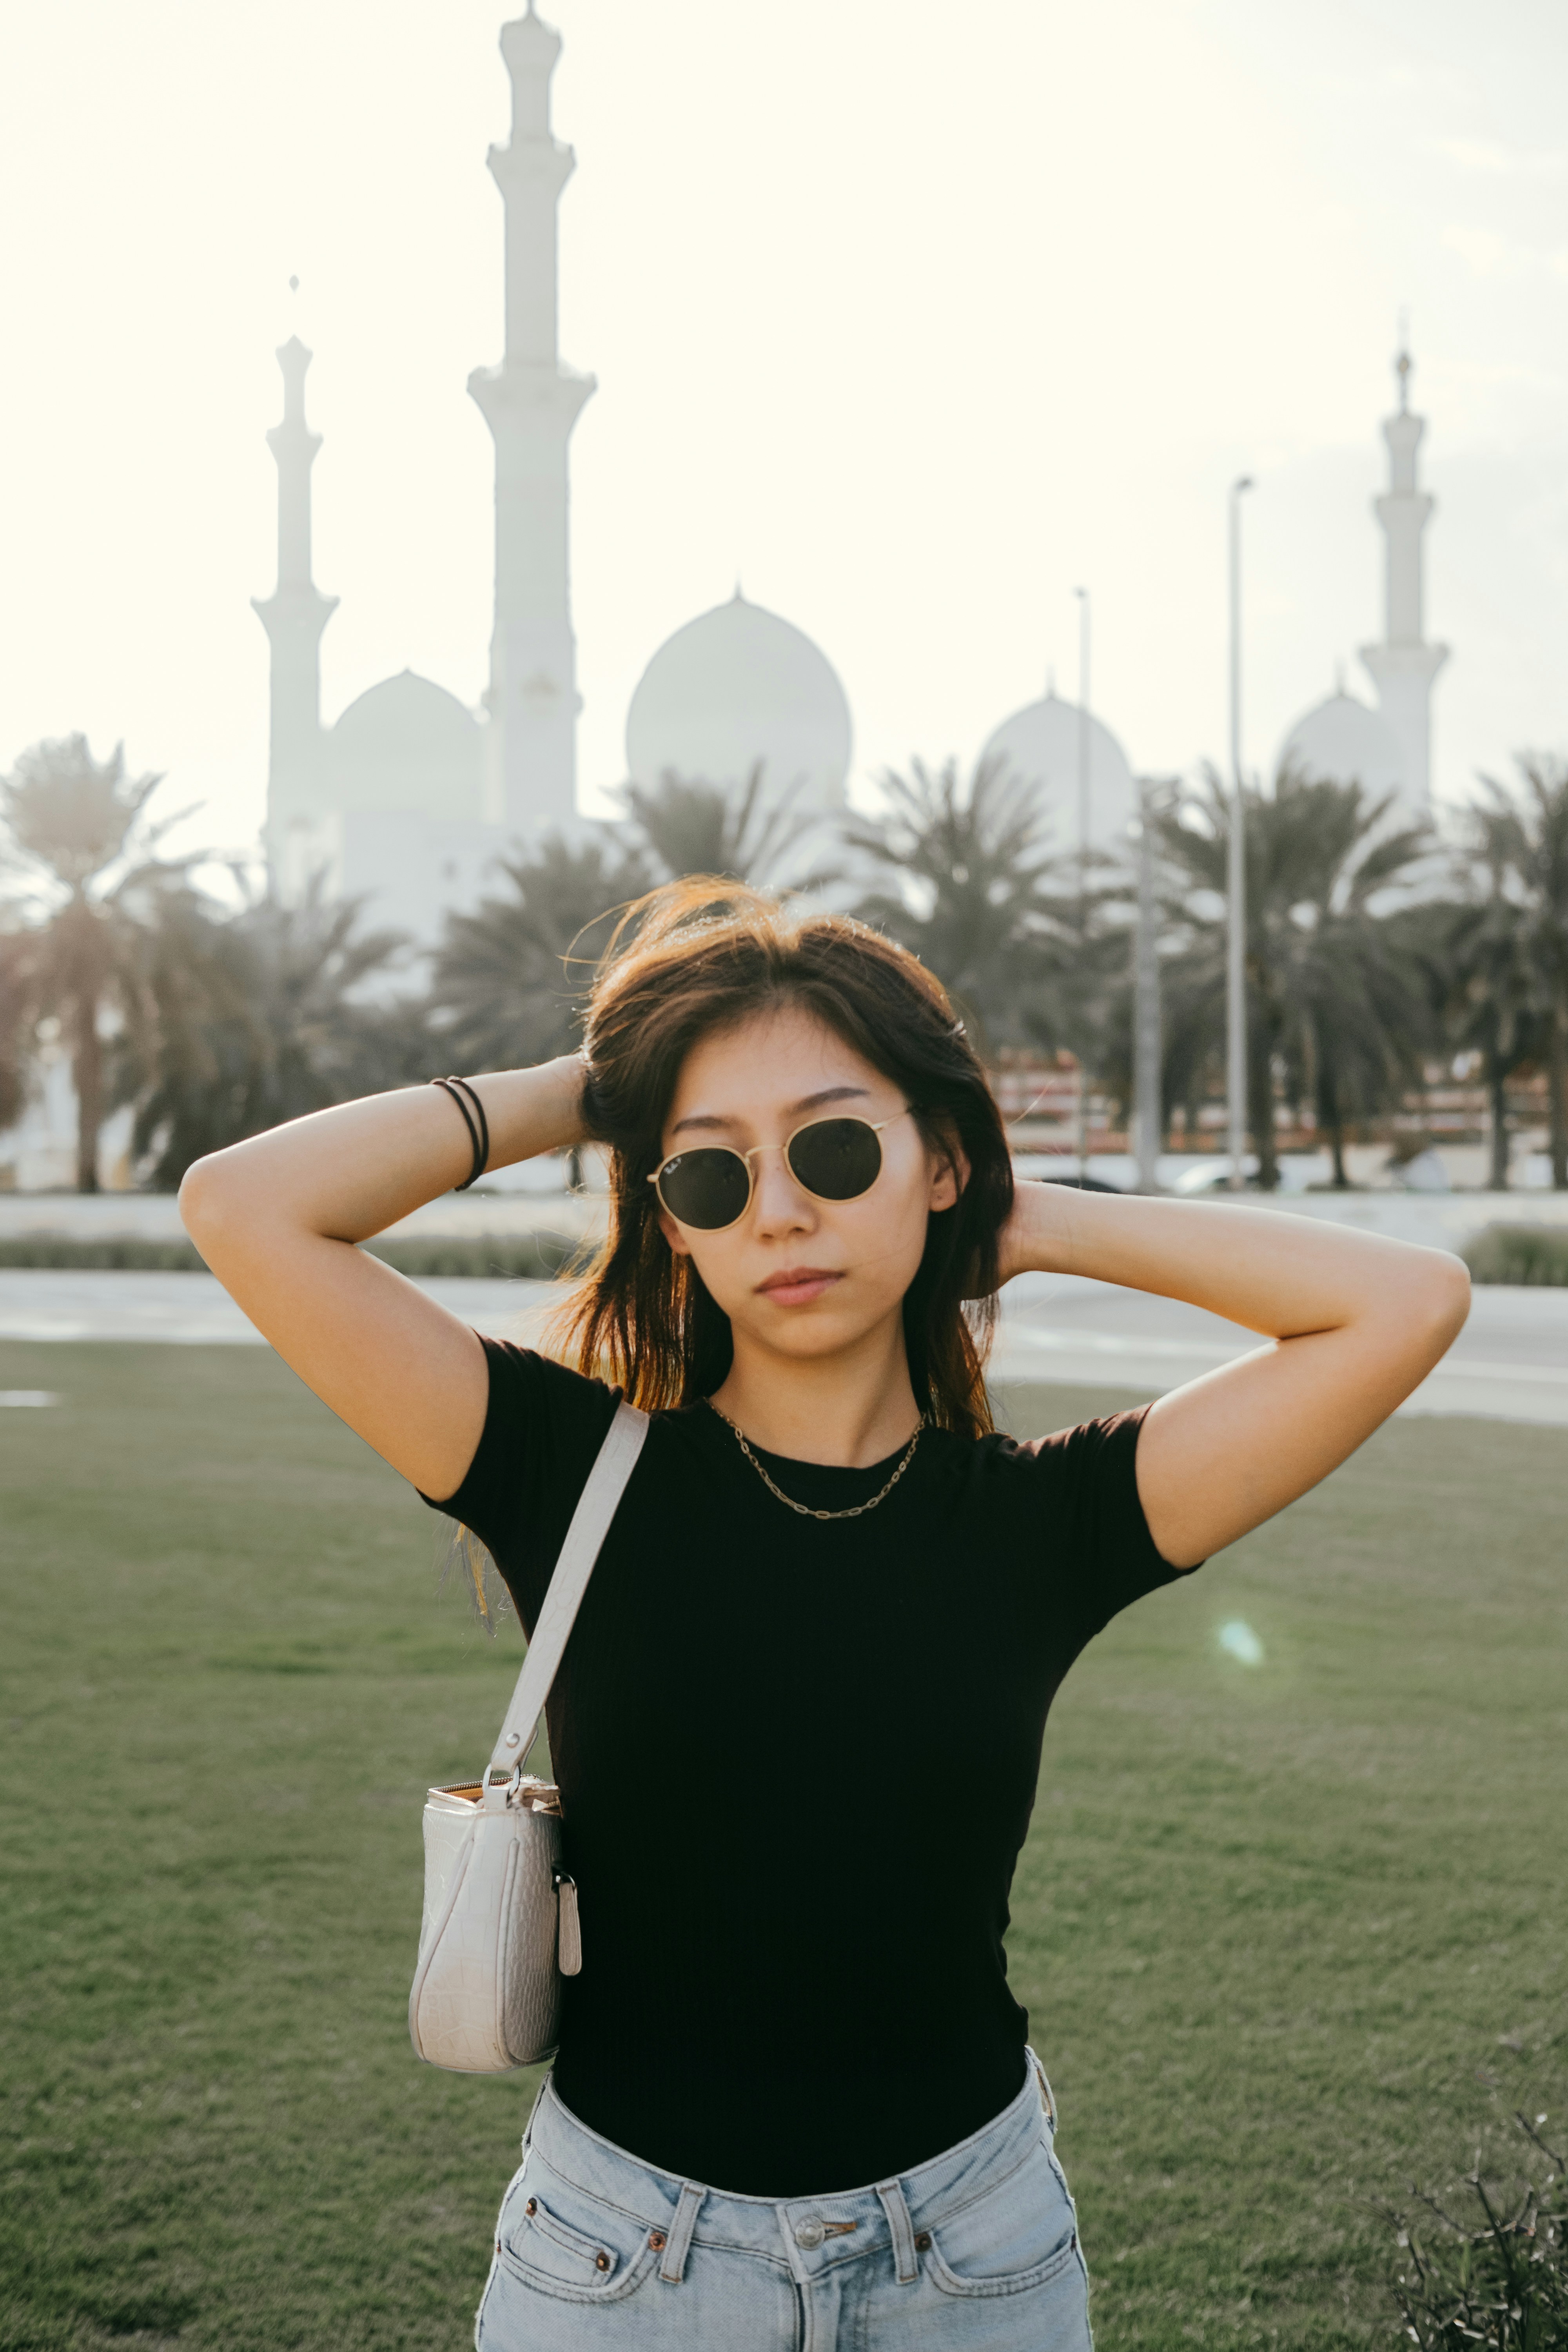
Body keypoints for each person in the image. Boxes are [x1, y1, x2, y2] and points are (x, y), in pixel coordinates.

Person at [180, 880, 1468, 2351]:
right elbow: (244, 1207)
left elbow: (1408, 1301)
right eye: (710, 1176)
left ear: (935, 1164)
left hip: (973, 2257)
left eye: (838, 1148)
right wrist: (602, 1087)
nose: (779, 1210)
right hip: (622, 2264)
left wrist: (1023, 1216)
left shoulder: (1052, 1519)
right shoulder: (555, 1464)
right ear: (670, 1220)